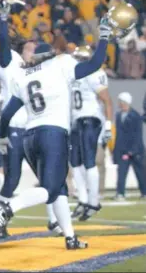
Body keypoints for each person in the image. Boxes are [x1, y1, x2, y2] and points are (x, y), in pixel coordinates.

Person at [0, 13, 112, 249]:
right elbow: (96, 63)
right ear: (50, 56)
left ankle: (70, 237)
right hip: (53, 134)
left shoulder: (23, 76)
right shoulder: (60, 66)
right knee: (49, 189)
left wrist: (3, 137)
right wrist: (105, 36)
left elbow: (6, 114)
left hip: (30, 137)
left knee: (59, 188)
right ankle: (8, 207)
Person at [0, 0, 62, 235]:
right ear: (21, 52)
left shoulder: (42, 70)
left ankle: (54, 221)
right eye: (30, 48)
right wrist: (3, 18)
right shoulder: (11, 65)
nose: (34, 51)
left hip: (35, 130)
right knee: (12, 180)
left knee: (48, 179)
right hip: (13, 129)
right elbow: (2, 48)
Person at [69, 46, 113, 221]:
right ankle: (83, 199)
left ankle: (94, 202)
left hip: (90, 118)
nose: (77, 61)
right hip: (76, 120)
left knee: (88, 161)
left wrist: (108, 125)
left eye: (80, 58)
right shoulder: (70, 74)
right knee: (75, 162)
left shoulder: (94, 72)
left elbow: (107, 100)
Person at [113, 92, 146, 200]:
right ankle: (120, 193)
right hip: (123, 150)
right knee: (121, 172)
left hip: (136, 151)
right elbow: (118, 135)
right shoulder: (118, 116)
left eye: (121, 101)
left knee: (140, 173)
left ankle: (144, 192)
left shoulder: (135, 116)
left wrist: (132, 150)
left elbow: (137, 135)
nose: (119, 104)